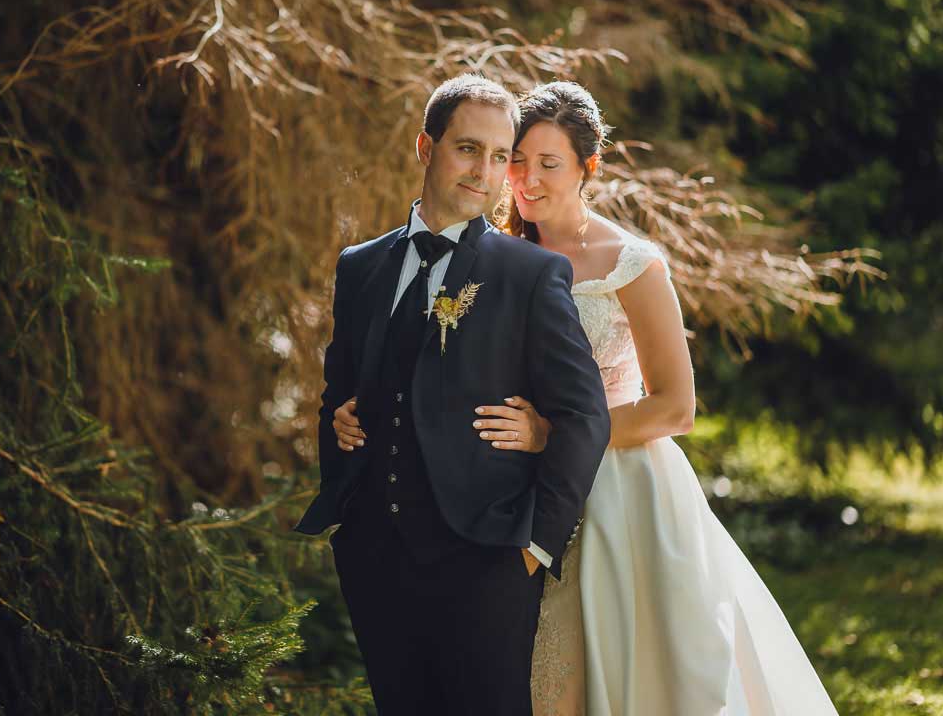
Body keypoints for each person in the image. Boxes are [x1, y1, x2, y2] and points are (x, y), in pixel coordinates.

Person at [335, 81, 840, 716]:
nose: (526, 178)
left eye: (549, 164)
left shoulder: (631, 263)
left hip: (616, 491)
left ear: (586, 169)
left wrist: (553, 434)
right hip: (501, 490)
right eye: (516, 160)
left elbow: (676, 408)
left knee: (627, 669)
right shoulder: (489, 253)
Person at [295, 74, 611, 716]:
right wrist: (345, 435)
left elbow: (584, 416)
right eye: (469, 149)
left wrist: (535, 545)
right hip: (374, 558)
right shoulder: (361, 265)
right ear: (425, 147)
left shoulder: (528, 273)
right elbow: (338, 391)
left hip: (488, 564)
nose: (486, 172)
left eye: (501, 157)